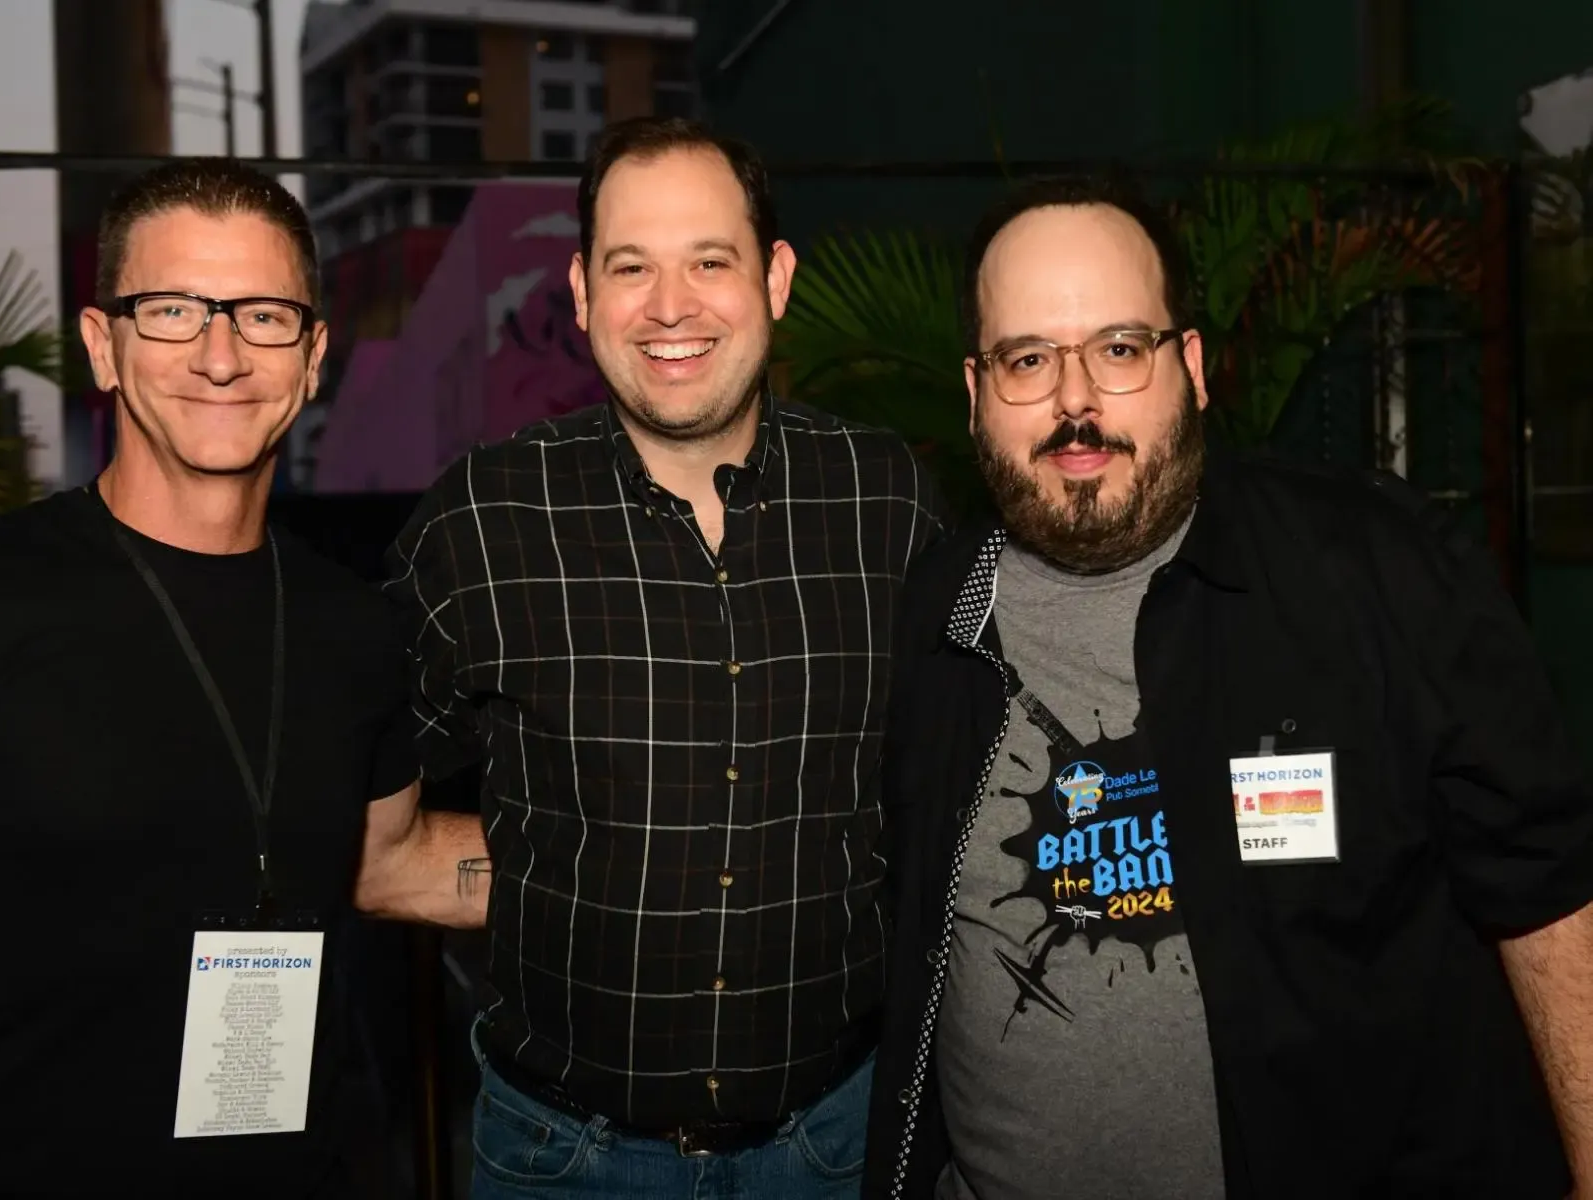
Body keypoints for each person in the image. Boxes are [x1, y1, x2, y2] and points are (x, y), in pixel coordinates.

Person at [862, 173, 1593, 1200]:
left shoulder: (1375, 570)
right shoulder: (939, 614)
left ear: (1193, 368)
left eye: (1120, 348)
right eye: (1029, 360)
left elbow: (1548, 889)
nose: (1076, 403)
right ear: (977, 392)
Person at [0, 157, 478, 1200]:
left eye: (264, 316)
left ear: (313, 356)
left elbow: (390, 863)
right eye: (172, 311)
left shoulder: (355, 628)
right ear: (104, 346)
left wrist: (679, 861)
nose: (220, 355)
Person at [376, 115, 946, 1199]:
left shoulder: (886, 500)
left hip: (836, 1147)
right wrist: (562, 883)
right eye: (632, 266)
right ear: (583, 292)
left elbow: (942, 796)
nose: (670, 306)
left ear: (776, 278)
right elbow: (363, 830)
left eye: (710, 262)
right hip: (562, 1161)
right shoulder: (481, 524)